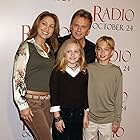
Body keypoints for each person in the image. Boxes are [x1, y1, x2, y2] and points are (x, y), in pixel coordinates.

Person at [12, 11, 60, 140]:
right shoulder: (26, 46)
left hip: (48, 103)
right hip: (32, 103)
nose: (47, 28)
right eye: (44, 24)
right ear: (38, 24)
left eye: (51, 26)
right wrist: (22, 105)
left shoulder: (51, 51)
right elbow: (18, 77)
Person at [83, 36, 123, 140]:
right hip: (89, 118)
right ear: (95, 51)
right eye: (99, 49)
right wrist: (84, 114)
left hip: (108, 119)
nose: (102, 52)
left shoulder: (116, 72)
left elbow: (118, 97)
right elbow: (82, 93)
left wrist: (116, 120)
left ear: (112, 52)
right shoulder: (88, 68)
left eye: (106, 49)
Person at [49, 38, 89, 140]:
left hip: (78, 114)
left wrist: (85, 115)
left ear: (80, 54)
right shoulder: (57, 71)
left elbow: (84, 95)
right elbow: (54, 95)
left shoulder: (84, 72)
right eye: (69, 51)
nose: (72, 54)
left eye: (76, 51)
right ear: (63, 54)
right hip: (62, 114)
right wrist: (57, 118)